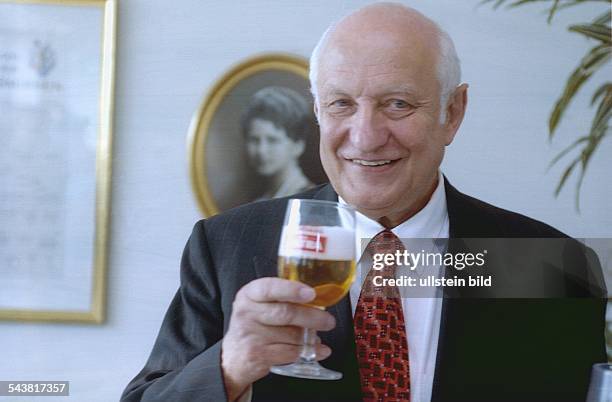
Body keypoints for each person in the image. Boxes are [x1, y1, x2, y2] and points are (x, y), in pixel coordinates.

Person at [122, 3, 607, 402]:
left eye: (398, 104)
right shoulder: (225, 245)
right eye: (341, 104)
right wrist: (227, 370)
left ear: (452, 112)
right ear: (317, 110)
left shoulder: (552, 265)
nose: (367, 136)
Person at [241, 86, 315, 200]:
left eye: (272, 140)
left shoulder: (309, 200)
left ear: (298, 145)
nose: (261, 150)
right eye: (254, 140)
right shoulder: (261, 200)